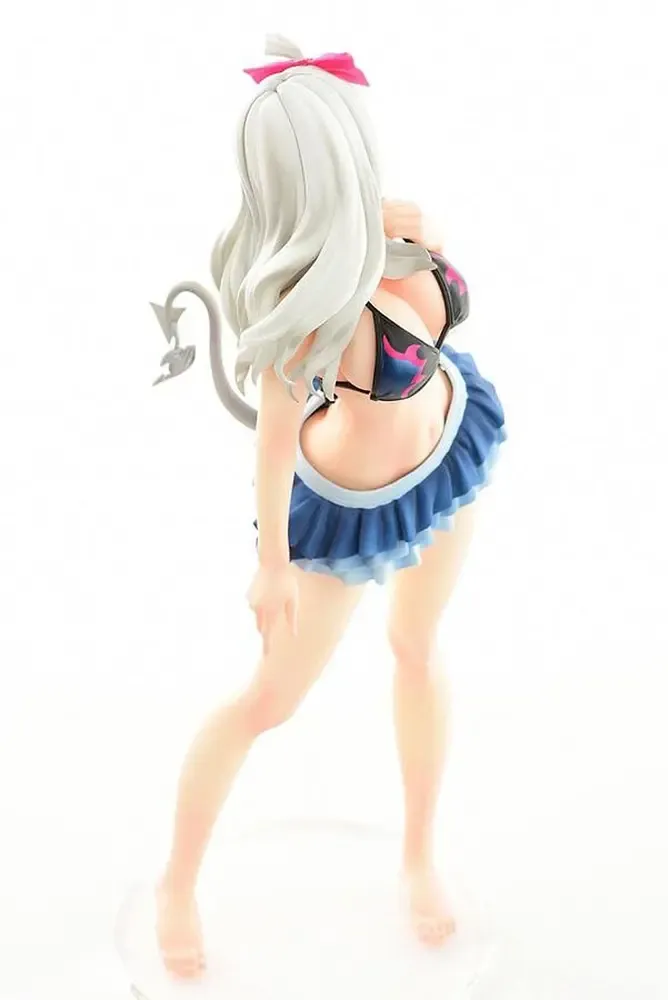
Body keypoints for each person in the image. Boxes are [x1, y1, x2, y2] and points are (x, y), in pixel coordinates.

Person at [150, 33, 507, 980]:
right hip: (349, 511)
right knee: (268, 702)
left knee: (417, 649)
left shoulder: (396, 225)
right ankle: (176, 882)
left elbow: (429, 304)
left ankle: (418, 855)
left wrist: (427, 242)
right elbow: (271, 448)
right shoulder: (305, 316)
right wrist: (270, 566)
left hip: (449, 451)